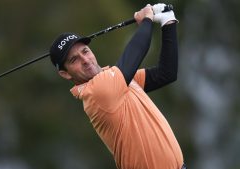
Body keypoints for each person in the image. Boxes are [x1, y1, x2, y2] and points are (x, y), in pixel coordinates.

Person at [49, 3, 185, 169]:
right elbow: (137, 50)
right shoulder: (96, 92)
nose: (85, 60)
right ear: (66, 74)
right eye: (73, 60)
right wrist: (147, 19)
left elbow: (166, 73)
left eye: (85, 51)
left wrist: (168, 22)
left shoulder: (115, 79)